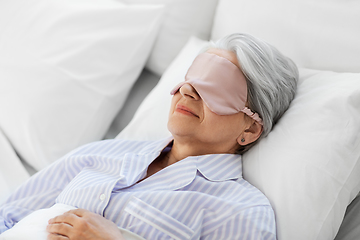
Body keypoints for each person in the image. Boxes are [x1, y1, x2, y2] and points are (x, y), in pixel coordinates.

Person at [0, 33, 298, 239]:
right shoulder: (102, 154)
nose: (187, 90)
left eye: (215, 88)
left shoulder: (240, 212)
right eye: (190, 79)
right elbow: (8, 215)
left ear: (250, 129)